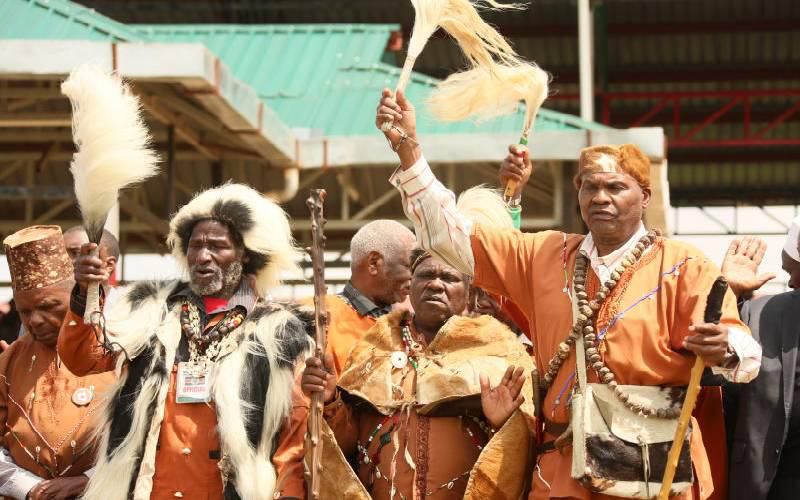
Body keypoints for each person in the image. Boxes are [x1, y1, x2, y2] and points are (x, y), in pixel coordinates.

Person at [375, 89, 762, 499]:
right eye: (589, 187)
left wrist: (727, 348)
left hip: (654, 472)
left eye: (616, 187)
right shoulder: (544, 253)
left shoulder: (684, 265)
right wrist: (409, 150)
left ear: (644, 197)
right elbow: (452, 235)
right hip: (562, 472)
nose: (600, 197)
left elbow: (743, 348)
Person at [57, 184, 313, 500]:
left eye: (217, 246)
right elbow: (84, 358)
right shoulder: (150, 308)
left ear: (245, 254)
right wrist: (84, 294)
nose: (203, 257)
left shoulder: (279, 331)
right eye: (195, 245)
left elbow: (294, 434)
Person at [301, 248, 536, 499]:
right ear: (409, 286)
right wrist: (329, 402)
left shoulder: (500, 350)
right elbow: (343, 452)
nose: (435, 284)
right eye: (426, 275)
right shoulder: (372, 348)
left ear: (469, 292)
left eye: (449, 278)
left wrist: (501, 424)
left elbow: (526, 455)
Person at [279, 219, 416, 497]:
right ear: (374, 263)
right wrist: (290, 490)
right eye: (409, 266)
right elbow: (295, 424)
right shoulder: (314, 319)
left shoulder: (409, 327)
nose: (415, 278)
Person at [0, 225, 114, 499]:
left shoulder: (118, 348)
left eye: (48, 306)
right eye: (25, 311)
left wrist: (89, 481)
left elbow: (146, 437)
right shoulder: (10, 359)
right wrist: (27, 487)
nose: (35, 320)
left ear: (75, 298)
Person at [722, 223, 798, 500]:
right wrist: (727, 293)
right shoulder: (760, 314)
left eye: (793, 270)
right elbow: (706, 373)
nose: (790, 283)